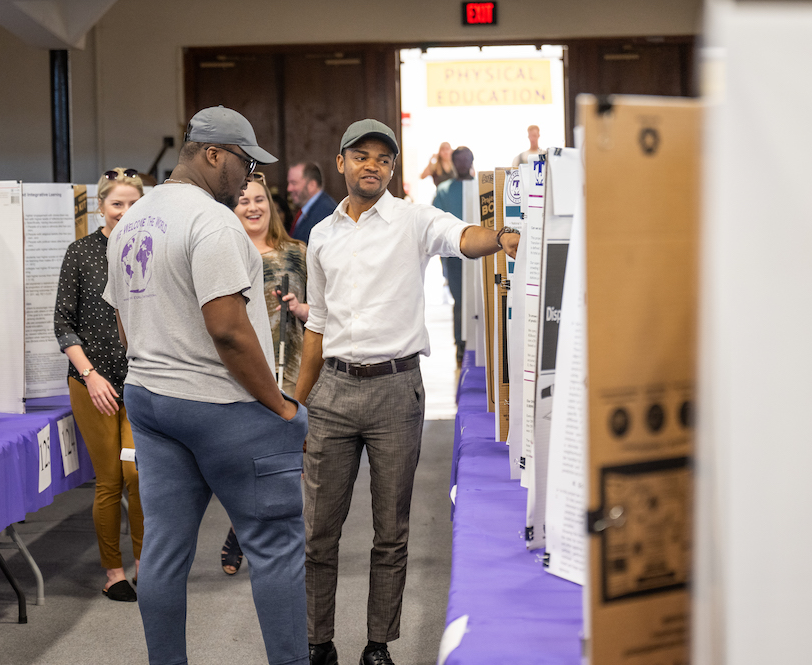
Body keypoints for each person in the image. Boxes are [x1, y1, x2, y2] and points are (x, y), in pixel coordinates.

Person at [297, 120, 520, 665]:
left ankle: (378, 646)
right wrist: (296, 404)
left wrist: (502, 237)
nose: (373, 165)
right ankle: (317, 643)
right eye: (362, 156)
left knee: (390, 532)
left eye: (383, 159)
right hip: (332, 392)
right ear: (343, 162)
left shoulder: (413, 219)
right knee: (318, 533)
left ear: (392, 169)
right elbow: (316, 325)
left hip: (396, 391)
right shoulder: (322, 235)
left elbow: (461, 237)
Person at [105, 106, 308, 665]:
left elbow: (123, 320)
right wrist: (281, 407)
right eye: (244, 163)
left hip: (151, 401)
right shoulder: (211, 222)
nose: (248, 179)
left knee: (165, 552)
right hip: (226, 407)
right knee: (276, 548)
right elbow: (228, 329)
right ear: (214, 154)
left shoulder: (130, 222)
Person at [54, 166, 146, 602]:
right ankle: (114, 571)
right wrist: (90, 376)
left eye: (133, 203)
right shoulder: (81, 253)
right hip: (92, 384)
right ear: (101, 207)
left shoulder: (152, 250)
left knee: (139, 475)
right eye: (117, 203)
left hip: (143, 382)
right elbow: (63, 323)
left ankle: (148, 564)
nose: (125, 211)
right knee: (110, 479)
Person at [222, 170, 310, 577]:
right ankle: (243, 530)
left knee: (290, 459)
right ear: (232, 207)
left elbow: (320, 313)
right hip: (248, 370)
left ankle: (266, 539)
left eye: (259, 199)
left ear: (269, 205)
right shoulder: (226, 255)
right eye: (244, 201)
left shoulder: (298, 252)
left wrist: (300, 309)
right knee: (252, 460)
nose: (253, 207)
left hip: (293, 365)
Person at [432, 146, 476, 365]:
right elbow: (436, 221)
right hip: (454, 256)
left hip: (480, 255)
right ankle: (460, 344)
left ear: (471, 161)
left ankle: (480, 341)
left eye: (466, 160)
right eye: (458, 160)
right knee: (459, 300)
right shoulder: (444, 190)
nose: (462, 164)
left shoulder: (480, 188)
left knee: (479, 298)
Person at [287, 161, 338, 245]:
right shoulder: (309, 209)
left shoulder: (325, 212)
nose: (289, 189)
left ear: (312, 185)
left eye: (294, 183)